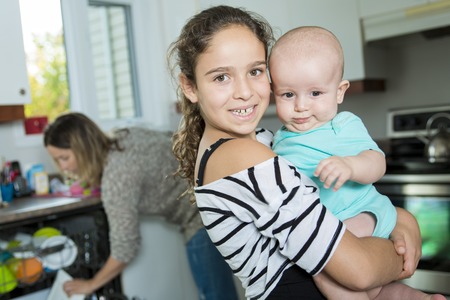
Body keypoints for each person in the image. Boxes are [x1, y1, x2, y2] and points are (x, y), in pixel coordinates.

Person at [169, 5, 422, 300]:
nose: (244, 92)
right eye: (221, 77)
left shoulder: (265, 143)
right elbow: (360, 271)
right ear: (190, 86)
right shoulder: (243, 159)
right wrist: (402, 237)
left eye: (255, 71)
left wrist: (402, 219)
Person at [269, 26, 445, 300]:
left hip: (361, 215)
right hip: (336, 226)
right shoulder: (278, 141)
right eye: (288, 95)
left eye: (315, 93)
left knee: (321, 260)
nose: (301, 106)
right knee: (383, 292)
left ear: (339, 92)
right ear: (274, 92)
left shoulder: (344, 125)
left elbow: (377, 163)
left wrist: (351, 166)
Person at [43, 112, 239, 300]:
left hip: (202, 215)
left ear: (83, 149)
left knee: (216, 295)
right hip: (223, 188)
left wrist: (91, 284)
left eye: (64, 158)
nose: (63, 168)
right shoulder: (124, 135)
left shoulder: (118, 177)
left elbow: (125, 247)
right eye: (57, 160)